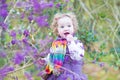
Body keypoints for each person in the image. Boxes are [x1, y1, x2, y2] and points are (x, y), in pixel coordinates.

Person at [41, 12, 87, 80]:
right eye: (62, 27)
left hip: (73, 74)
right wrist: (45, 60)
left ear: (73, 27)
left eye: (69, 26)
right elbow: (52, 57)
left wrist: (71, 42)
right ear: (57, 30)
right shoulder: (56, 43)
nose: (66, 29)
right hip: (58, 75)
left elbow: (78, 56)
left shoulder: (77, 43)